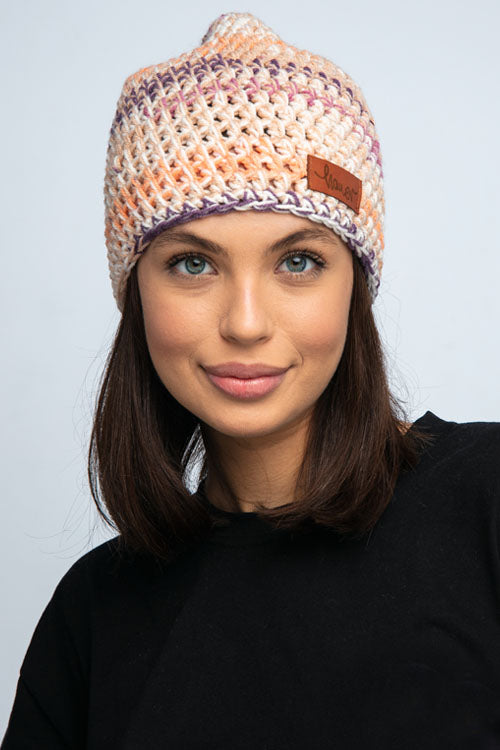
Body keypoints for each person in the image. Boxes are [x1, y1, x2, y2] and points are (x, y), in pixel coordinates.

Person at [2, 11, 500, 749]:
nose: (244, 323)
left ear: (354, 288)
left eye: (298, 261)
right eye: (192, 263)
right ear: (136, 291)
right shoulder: (93, 617)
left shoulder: (486, 501)